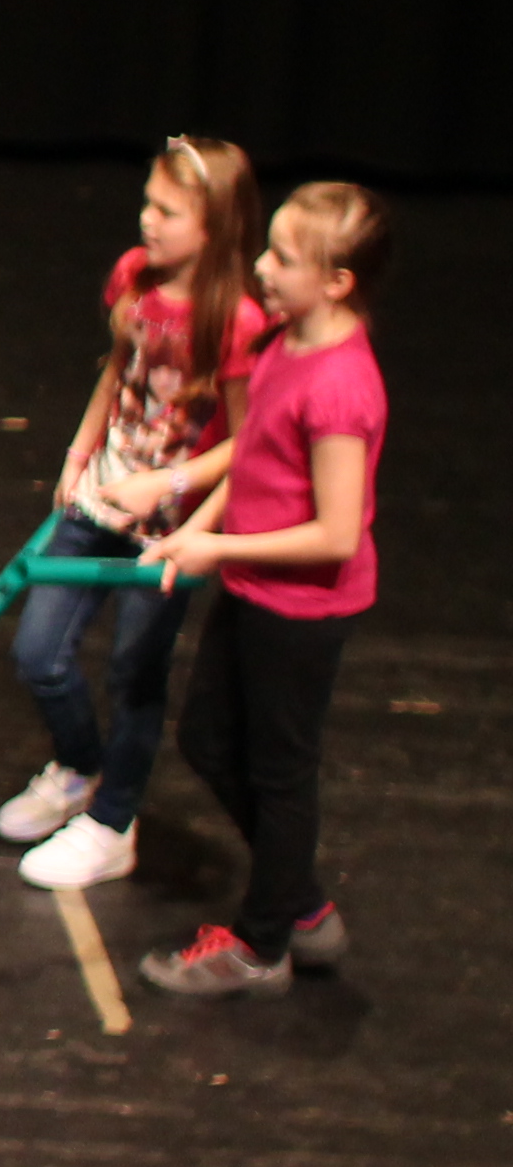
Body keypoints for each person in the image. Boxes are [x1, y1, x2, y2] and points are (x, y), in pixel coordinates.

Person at [137, 183, 389, 996]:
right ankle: (300, 902)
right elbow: (251, 455)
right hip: (253, 585)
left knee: (281, 774)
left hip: (301, 610)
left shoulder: (341, 388)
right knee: (209, 741)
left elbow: (337, 533)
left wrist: (216, 546)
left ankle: (264, 944)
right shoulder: (285, 342)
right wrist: (199, 524)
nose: (262, 269)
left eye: (284, 258)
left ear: (339, 281)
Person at [0, 136, 266, 887]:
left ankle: (114, 821)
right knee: (38, 653)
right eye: (148, 203)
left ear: (213, 226)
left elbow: (249, 443)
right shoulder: (133, 277)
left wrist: (181, 506)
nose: (149, 220)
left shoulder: (236, 319)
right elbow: (120, 372)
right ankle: (79, 768)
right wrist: (78, 454)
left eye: (168, 212)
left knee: (133, 672)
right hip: (102, 495)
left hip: (170, 525)